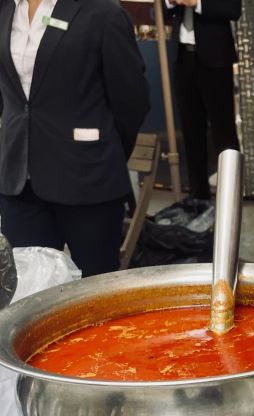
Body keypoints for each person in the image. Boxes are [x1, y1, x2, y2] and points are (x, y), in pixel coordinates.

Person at [0, 0, 150, 277]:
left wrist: (100, 152)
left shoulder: (102, 13)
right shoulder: (6, 10)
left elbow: (132, 101)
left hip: (88, 180)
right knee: (28, 289)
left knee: (95, 290)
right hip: (19, 183)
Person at [168, 0, 241, 200]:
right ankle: (197, 196)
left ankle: (231, 197)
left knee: (223, 131)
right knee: (190, 131)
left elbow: (233, 9)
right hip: (182, 57)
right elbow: (161, 12)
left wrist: (196, 3)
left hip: (216, 60)